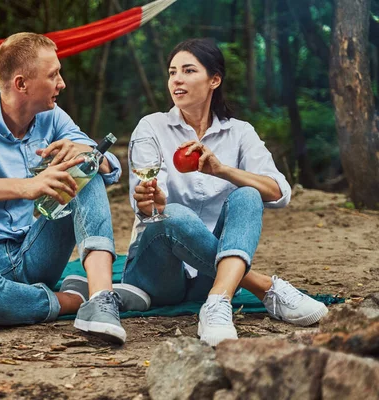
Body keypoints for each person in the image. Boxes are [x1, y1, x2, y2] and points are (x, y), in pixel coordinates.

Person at [0, 32, 148, 345]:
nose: (61, 83)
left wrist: (89, 155)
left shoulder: (53, 117)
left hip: (36, 251)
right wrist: (27, 186)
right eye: (53, 75)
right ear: (21, 84)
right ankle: (73, 299)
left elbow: (107, 165)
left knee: (84, 172)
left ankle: (102, 298)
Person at [123, 38, 328, 346]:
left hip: (212, 279)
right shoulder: (151, 127)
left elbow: (279, 192)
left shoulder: (239, 132)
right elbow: (151, 209)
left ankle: (218, 302)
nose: (176, 79)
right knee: (174, 214)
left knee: (247, 194)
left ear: (214, 80)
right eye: (172, 72)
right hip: (158, 273)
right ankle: (264, 287)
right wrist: (151, 199)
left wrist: (222, 170)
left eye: (188, 70)